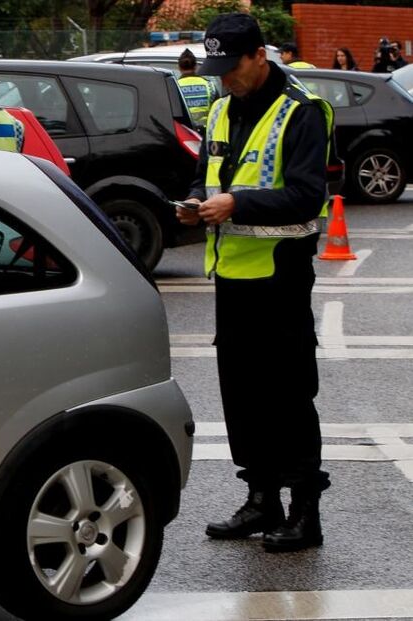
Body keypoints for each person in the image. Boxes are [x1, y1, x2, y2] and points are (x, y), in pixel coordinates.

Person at [176, 13, 334, 552]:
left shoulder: (303, 111)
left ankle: (304, 513)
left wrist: (237, 203)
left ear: (259, 57)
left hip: (282, 275)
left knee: (288, 394)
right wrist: (198, 202)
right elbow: (207, 174)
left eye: (233, 67)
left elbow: (307, 195)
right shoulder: (220, 110)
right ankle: (261, 498)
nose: (225, 79)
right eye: (217, 68)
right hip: (231, 274)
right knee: (242, 395)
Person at [177, 48, 216, 130]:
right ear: (196, 67)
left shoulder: (174, 86)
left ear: (179, 67)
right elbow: (217, 112)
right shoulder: (209, 85)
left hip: (184, 135)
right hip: (205, 134)